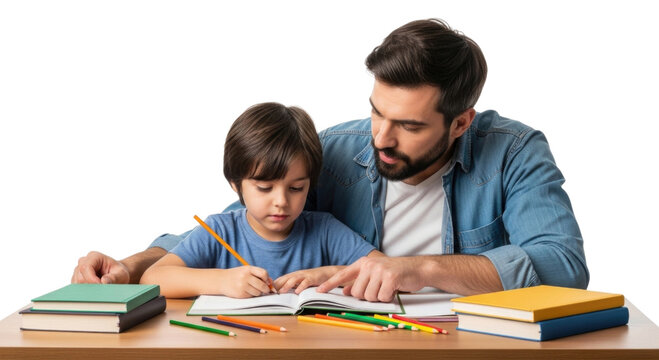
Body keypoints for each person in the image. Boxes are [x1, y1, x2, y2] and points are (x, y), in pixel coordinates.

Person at [72, 19, 588, 302]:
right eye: (376, 111)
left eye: (408, 126)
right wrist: (130, 266)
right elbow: (238, 222)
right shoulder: (341, 147)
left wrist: (422, 269)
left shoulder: (515, 152)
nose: (380, 137)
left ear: (460, 123)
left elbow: (565, 267)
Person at [139, 102, 382, 298]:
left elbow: (385, 270)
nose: (281, 201)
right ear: (236, 184)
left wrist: (328, 274)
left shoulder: (326, 230)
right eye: (265, 188)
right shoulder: (219, 231)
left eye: (296, 188)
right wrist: (222, 281)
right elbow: (153, 277)